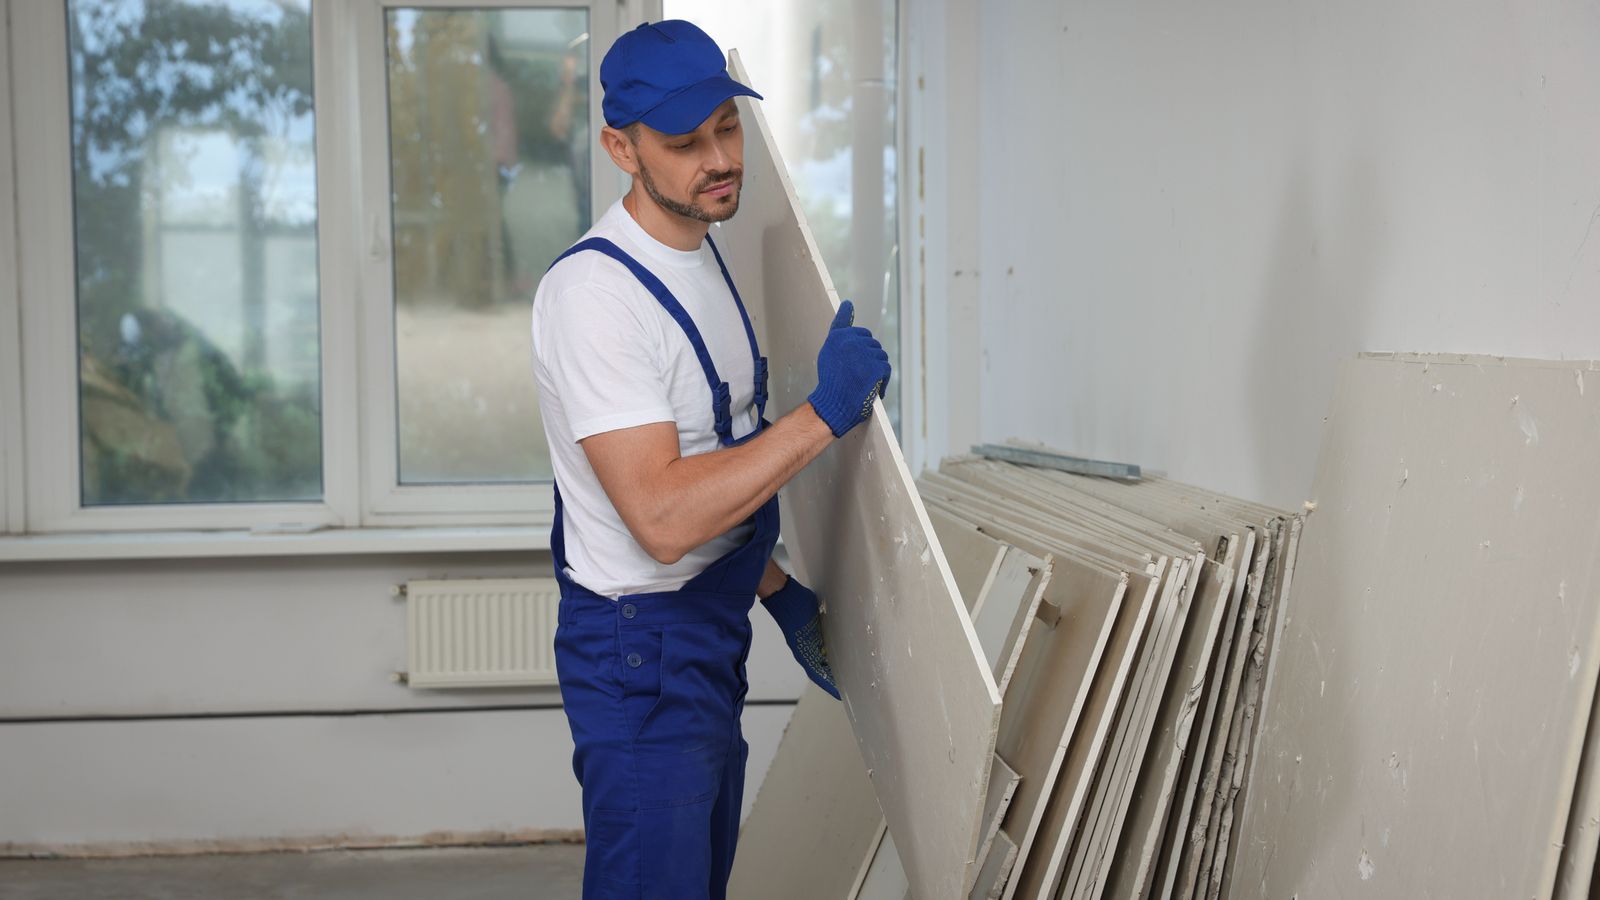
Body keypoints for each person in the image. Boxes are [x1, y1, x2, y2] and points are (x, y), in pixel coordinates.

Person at [529, 19, 892, 900]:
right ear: (622, 148)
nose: (719, 158)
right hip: (639, 653)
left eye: (727, 128)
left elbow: (706, 454)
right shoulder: (595, 298)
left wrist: (773, 592)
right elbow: (661, 516)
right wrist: (823, 415)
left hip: (704, 633)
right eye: (685, 143)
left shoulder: (700, 250)